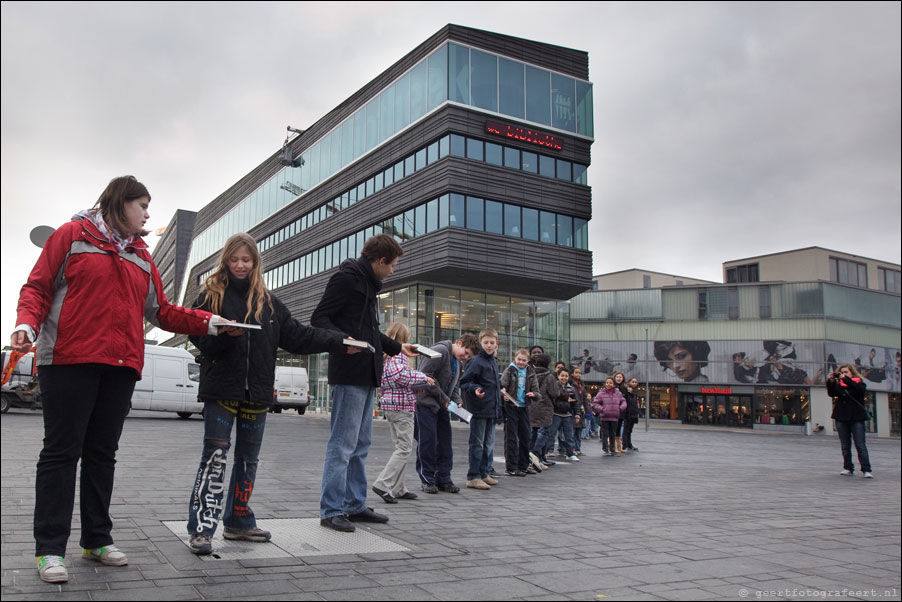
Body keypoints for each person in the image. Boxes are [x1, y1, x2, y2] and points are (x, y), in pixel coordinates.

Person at [11, 176, 225, 583]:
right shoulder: (72, 236)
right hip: (69, 360)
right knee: (61, 452)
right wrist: (26, 323)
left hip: (121, 364)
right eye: (142, 205)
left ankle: (96, 540)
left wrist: (210, 322)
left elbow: (161, 312)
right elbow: (37, 287)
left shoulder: (142, 256)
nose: (147, 214)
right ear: (118, 203)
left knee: (101, 454)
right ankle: (49, 549)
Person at [186, 233, 351, 555]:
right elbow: (199, 339)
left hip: (257, 393)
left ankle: (238, 521)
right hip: (221, 390)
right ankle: (202, 528)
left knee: (248, 460)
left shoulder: (269, 302)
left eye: (246, 260)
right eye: (234, 259)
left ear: (255, 262)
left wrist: (338, 341)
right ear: (226, 260)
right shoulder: (209, 297)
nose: (240, 265)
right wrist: (224, 335)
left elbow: (299, 337)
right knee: (215, 459)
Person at [311, 234, 418, 532]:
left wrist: (399, 348)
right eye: (393, 265)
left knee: (360, 444)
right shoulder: (346, 280)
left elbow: (370, 333)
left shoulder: (368, 286)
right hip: (348, 373)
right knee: (342, 446)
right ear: (380, 261)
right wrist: (344, 341)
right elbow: (319, 318)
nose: (394, 271)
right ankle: (331, 509)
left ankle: (354, 504)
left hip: (367, 374)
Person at [371, 323, 435, 504]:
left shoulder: (385, 357)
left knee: (399, 447)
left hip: (390, 405)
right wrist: (424, 378)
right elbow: (401, 376)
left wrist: (413, 388)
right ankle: (383, 484)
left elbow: (392, 381)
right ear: (404, 338)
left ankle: (399, 488)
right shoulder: (398, 355)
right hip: (402, 407)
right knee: (404, 448)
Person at [414, 334, 480, 493]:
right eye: (466, 353)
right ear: (459, 343)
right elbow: (425, 376)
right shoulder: (440, 351)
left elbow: (453, 386)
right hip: (426, 404)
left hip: (443, 406)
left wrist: (457, 400)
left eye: (468, 356)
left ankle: (443, 478)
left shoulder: (457, 361)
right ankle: (427, 479)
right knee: (428, 441)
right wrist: (444, 398)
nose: (465, 357)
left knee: (445, 443)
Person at [460, 328, 502, 490]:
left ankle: (484, 473)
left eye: (492, 343)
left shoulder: (493, 362)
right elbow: (464, 382)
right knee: (477, 443)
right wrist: (475, 388)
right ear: (481, 343)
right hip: (479, 409)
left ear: (496, 344)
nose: (489, 345)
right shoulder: (476, 361)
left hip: (491, 409)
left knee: (488, 443)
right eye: (486, 343)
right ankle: (473, 476)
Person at [500, 348, 541, 476]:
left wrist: (533, 394)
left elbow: (537, 391)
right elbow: (501, 387)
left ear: (528, 361)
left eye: (524, 360)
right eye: (519, 359)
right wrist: (504, 395)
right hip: (511, 407)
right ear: (515, 359)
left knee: (526, 436)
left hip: (524, 407)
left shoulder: (530, 372)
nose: (521, 362)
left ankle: (523, 465)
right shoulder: (510, 370)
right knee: (511, 437)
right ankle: (511, 467)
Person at [827, 364, 873, 478]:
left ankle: (866, 469)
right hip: (842, 418)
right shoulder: (839, 385)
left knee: (860, 445)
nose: (844, 374)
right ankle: (848, 467)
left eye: (846, 372)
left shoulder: (859, 383)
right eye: (842, 372)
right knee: (845, 445)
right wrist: (831, 381)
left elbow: (860, 390)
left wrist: (846, 379)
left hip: (856, 418)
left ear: (852, 373)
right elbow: (831, 393)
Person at [529, 354, 560, 468]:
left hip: (532, 406)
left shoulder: (531, 374)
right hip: (545, 407)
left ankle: (535, 456)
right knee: (544, 432)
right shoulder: (549, 377)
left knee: (534, 432)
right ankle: (535, 454)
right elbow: (555, 393)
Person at [593, 378, 626, 457]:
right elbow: (595, 403)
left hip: (614, 417)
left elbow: (623, 402)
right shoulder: (601, 393)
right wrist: (602, 409)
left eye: (610, 383)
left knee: (613, 434)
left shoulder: (618, 393)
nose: (608, 384)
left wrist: (620, 408)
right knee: (605, 434)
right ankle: (605, 449)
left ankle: (612, 449)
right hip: (604, 417)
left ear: (614, 384)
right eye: (607, 382)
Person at [622, 378, 641, 451]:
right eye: (633, 382)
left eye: (636, 382)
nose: (634, 383)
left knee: (630, 430)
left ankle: (629, 444)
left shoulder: (634, 392)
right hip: (628, 413)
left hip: (633, 414)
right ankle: (625, 444)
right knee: (626, 430)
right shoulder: (627, 391)